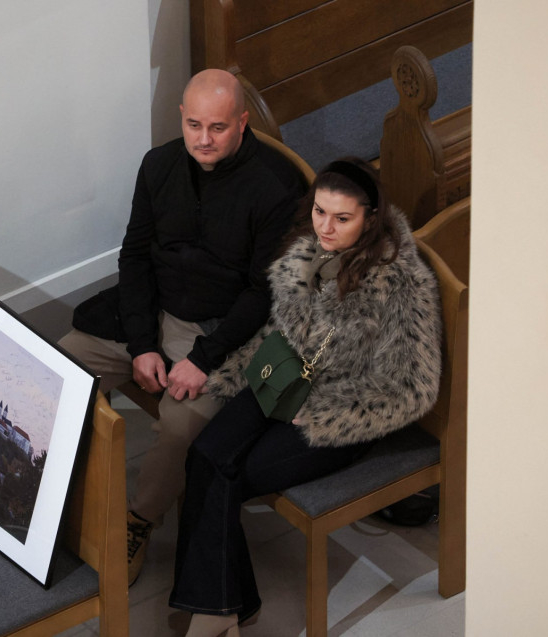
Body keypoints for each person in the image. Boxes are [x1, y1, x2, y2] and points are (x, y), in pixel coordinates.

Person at [168, 158, 443, 636]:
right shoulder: (306, 253)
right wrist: (236, 369)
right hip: (282, 379)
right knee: (204, 455)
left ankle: (217, 614)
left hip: (338, 415)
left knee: (228, 475)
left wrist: (325, 411)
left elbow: (412, 388)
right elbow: (282, 330)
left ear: (370, 218)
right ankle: (225, 609)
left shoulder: (402, 282)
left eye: (342, 218)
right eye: (319, 212)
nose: (325, 227)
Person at [57, 69, 305, 585]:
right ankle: (50, 496)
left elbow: (262, 294)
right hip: (152, 310)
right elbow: (134, 256)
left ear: (242, 122)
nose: (204, 139)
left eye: (218, 127)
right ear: (181, 118)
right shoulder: (159, 164)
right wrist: (142, 344)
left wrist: (202, 358)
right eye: (194, 125)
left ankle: (138, 521)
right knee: (60, 367)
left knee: (179, 425)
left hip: (222, 330)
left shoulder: (276, 188)